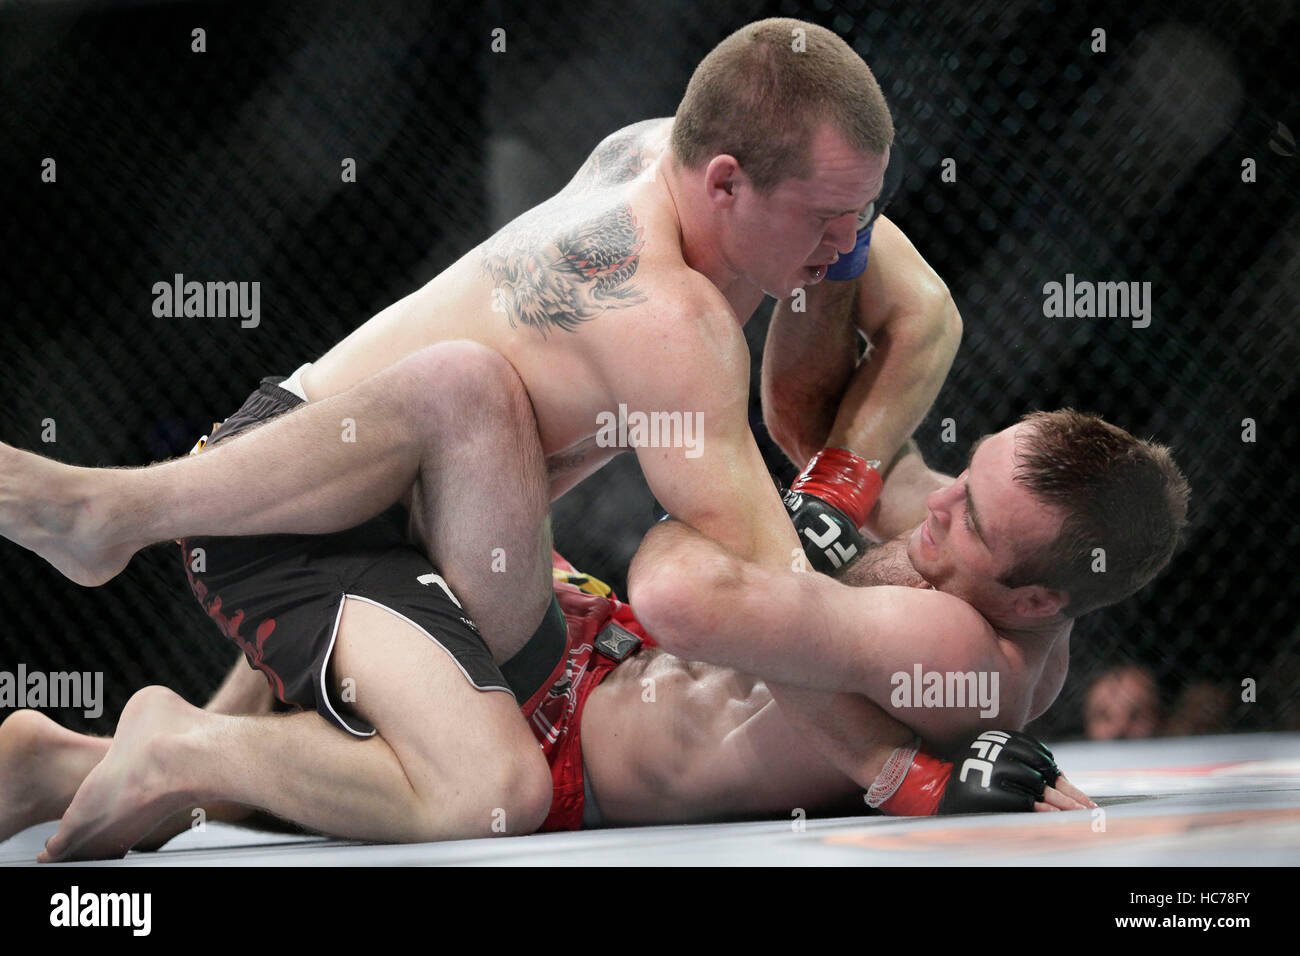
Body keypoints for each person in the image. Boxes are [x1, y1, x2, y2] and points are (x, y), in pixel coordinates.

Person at [0, 19, 963, 848]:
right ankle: (121, 540)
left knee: (474, 421)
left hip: (429, 531)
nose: (850, 244)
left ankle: (67, 763)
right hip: (292, 506)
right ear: (725, 182)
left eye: (864, 210)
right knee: (491, 786)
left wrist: (843, 471)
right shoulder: (667, 315)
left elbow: (926, 313)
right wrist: (902, 772)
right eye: (831, 219)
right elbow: (770, 601)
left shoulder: (678, 159)